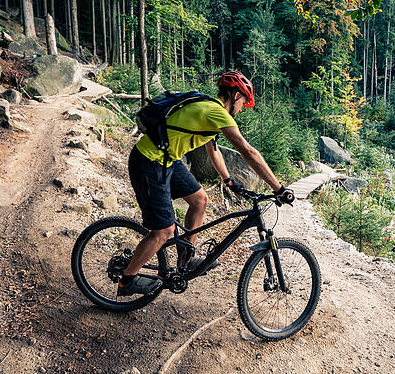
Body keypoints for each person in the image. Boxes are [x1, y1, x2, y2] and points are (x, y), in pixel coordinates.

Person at [119, 71, 295, 296]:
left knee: (200, 200)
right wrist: (278, 188)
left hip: (167, 160)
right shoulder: (215, 111)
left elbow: (213, 150)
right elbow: (247, 151)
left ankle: (185, 258)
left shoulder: (210, 109)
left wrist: (229, 181)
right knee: (163, 230)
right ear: (235, 95)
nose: (242, 109)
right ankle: (128, 279)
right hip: (150, 161)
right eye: (243, 102)